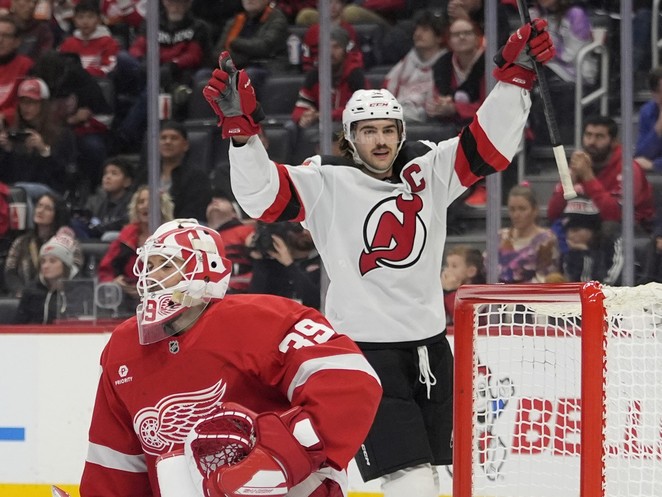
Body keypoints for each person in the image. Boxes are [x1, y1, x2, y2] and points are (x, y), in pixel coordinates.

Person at [203, 17, 555, 497]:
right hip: (364, 357)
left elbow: (489, 146)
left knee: (450, 477)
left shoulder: (428, 170)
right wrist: (242, 137)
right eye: (368, 131)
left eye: (389, 129)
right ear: (350, 137)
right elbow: (261, 197)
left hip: (432, 349)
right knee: (411, 481)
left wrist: (516, 78)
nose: (381, 140)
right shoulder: (325, 182)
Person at [79, 218, 382, 497]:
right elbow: (116, 459)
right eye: (149, 265)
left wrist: (282, 456)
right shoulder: (124, 348)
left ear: (207, 269)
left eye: (167, 265)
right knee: (172, 467)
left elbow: (351, 382)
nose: (152, 276)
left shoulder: (264, 319)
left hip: (285, 487)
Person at [547, 115, 655, 233]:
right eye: (588, 135)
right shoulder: (579, 164)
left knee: (608, 227)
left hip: (632, 231)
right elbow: (552, 214)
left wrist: (588, 178)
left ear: (614, 142)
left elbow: (615, 216)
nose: (591, 142)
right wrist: (568, 184)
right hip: (588, 225)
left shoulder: (629, 169)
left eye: (599, 137)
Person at [287, 25, 367, 163]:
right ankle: (296, 168)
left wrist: (321, 115)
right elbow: (301, 106)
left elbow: (358, 110)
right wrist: (303, 116)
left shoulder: (355, 75)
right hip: (321, 121)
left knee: (332, 131)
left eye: (336, 47)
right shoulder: (314, 75)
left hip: (345, 123)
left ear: (345, 50)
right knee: (291, 127)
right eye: (326, 47)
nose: (330, 52)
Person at [529, 0, 597, 145]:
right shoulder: (537, 14)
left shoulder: (576, 14)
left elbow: (572, 54)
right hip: (550, 69)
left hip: (576, 71)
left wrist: (546, 49)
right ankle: (529, 139)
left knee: (536, 77)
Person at [97, 185, 174, 310]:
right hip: (125, 303)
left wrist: (151, 289)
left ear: (162, 207)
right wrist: (114, 282)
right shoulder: (125, 237)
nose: (145, 206)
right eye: (141, 202)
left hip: (164, 303)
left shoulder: (173, 237)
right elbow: (105, 271)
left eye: (151, 202)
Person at [0, 76, 77, 194]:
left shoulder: (63, 135)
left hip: (47, 195)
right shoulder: (14, 134)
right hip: (15, 192)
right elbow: (7, 176)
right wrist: (7, 151)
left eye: (32, 102)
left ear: (43, 104)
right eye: (23, 102)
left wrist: (44, 151)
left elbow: (64, 175)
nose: (26, 107)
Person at [4, 191, 82, 297]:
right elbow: (10, 271)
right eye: (39, 206)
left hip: (57, 296)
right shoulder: (21, 241)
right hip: (24, 296)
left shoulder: (68, 242)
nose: (40, 211)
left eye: (48, 208)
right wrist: (20, 291)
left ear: (57, 214)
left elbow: (74, 270)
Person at [135, 120, 212, 221]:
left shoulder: (197, 177)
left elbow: (194, 213)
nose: (167, 142)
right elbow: (132, 205)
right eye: (163, 138)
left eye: (174, 138)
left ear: (185, 145)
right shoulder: (147, 174)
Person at [212, 0, 289, 100]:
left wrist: (235, 43)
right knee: (204, 75)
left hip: (266, 67)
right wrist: (243, 57)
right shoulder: (235, 21)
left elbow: (264, 47)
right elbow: (217, 54)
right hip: (236, 66)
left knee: (248, 75)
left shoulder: (277, 19)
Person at [384, 10, 447, 123]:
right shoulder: (407, 61)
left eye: (425, 30)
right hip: (399, 114)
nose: (418, 34)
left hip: (430, 120)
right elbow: (386, 90)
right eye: (416, 29)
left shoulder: (447, 62)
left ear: (439, 37)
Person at [12, 226, 81, 323]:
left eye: (52, 261)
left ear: (65, 265)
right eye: (43, 261)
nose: (45, 266)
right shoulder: (31, 291)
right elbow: (18, 326)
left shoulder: (80, 291)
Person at [248, 221, 322, 310]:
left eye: (301, 228)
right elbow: (258, 304)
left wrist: (290, 264)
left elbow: (316, 300)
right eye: (297, 229)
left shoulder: (324, 259)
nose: (304, 233)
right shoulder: (275, 267)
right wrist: (259, 260)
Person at [498, 183, 560, 284]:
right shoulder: (501, 236)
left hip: (532, 291)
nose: (516, 215)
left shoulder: (546, 240)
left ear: (534, 210)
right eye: (512, 209)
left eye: (522, 209)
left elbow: (546, 278)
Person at [559, 195, 623, 284]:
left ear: (591, 230)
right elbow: (570, 283)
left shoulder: (614, 244)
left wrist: (587, 255)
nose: (570, 235)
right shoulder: (570, 252)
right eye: (567, 230)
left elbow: (610, 283)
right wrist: (581, 254)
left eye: (576, 230)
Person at [205, 190, 254, 293]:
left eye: (222, 200)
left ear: (234, 213)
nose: (214, 201)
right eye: (210, 202)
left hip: (245, 292)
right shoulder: (201, 239)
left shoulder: (247, 231)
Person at [76, 155, 135, 240]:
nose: (107, 177)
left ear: (127, 182)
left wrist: (97, 228)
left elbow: (124, 224)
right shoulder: (96, 202)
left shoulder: (133, 202)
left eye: (114, 173)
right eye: (105, 173)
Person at [58, 0, 120, 79]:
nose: (85, 22)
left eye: (90, 17)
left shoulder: (108, 42)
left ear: (98, 20)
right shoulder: (68, 43)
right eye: (80, 17)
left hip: (98, 80)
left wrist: (86, 72)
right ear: (75, 21)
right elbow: (60, 64)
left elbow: (109, 67)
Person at [300, 0, 359, 72]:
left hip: (342, 72)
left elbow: (353, 55)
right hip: (317, 71)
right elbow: (306, 55)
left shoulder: (348, 29)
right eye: (329, 2)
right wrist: (310, 70)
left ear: (342, 6)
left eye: (337, 2)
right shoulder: (312, 31)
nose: (333, 6)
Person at [0, 15, 33, 128]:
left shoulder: (25, 65)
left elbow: (28, 104)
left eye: (6, 36)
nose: (0, 40)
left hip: (12, 127)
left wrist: (6, 116)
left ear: (17, 42)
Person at [441, 244, 485, 325]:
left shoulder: (479, 296)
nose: (447, 270)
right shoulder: (443, 291)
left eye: (454, 266)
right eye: (447, 265)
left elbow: (462, 321)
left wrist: (450, 291)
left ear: (471, 271)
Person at [635, 66, 662, 172]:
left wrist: (655, 165)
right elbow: (642, 155)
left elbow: (647, 162)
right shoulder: (647, 111)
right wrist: (658, 128)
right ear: (654, 94)